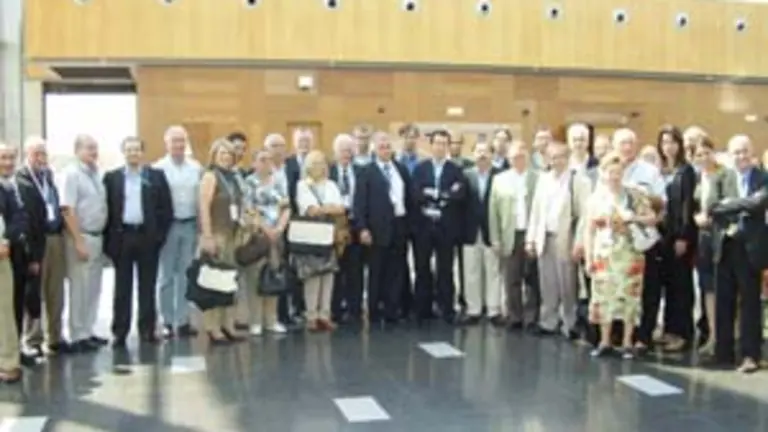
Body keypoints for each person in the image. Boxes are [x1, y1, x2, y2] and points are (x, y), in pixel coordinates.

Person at [703, 135, 768, 373]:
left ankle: (751, 354)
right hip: (725, 247)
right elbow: (712, 207)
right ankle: (723, 353)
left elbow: (759, 204)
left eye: (744, 151)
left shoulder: (763, 178)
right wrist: (743, 203)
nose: (741, 156)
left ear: (752, 152)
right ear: (729, 155)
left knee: (750, 303)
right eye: (736, 152)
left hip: (750, 248)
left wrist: (731, 204)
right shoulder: (721, 177)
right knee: (724, 302)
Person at [584, 152, 657, 359]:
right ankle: (605, 340)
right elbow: (589, 230)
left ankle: (627, 341)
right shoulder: (595, 199)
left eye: (618, 172)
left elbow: (652, 218)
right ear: (603, 173)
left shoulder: (634, 195)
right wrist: (589, 258)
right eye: (610, 172)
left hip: (630, 252)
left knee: (630, 297)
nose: (614, 176)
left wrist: (632, 217)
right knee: (603, 297)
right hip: (604, 254)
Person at [103, 137, 173, 348]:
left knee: (147, 286)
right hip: (123, 237)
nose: (133, 153)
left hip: (147, 238)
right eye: (129, 150)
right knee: (122, 287)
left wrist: (159, 237)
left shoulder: (156, 176)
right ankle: (120, 331)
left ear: (142, 153)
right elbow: (106, 209)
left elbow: (166, 209)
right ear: (123, 152)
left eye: (137, 150)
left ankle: (147, 330)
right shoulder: (112, 178)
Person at [526, 141, 591, 339]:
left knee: (568, 284)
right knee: (548, 282)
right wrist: (531, 239)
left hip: (567, 237)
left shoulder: (579, 181)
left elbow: (585, 215)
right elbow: (536, 212)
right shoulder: (543, 180)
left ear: (568, 158)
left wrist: (580, 242)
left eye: (561, 157)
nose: (556, 161)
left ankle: (570, 323)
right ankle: (548, 321)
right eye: (552, 157)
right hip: (545, 236)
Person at [17, 137, 69, 355]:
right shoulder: (21, 181)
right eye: (36, 153)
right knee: (34, 291)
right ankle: (33, 339)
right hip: (36, 242)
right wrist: (30, 254)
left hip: (55, 237)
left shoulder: (48, 176)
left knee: (56, 290)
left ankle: (55, 337)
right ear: (27, 155)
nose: (41, 158)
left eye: (43, 153)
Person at [354, 132, 412, 326]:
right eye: (382, 147)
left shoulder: (401, 169)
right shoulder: (366, 172)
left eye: (388, 146)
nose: (386, 150)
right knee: (376, 271)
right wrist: (362, 228)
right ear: (374, 150)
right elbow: (359, 203)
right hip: (376, 228)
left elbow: (409, 198)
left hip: (399, 225)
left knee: (396, 270)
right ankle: (374, 310)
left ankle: (392, 309)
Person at [411, 129, 466, 325]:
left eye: (444, 144)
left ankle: (446, 308)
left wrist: (435, 194)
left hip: (446, 228)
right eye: (437, 143)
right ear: (431, 145)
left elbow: (458, 194)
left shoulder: (455, 170)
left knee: (446, 269)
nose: (440, 147)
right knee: (422, 268)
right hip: (423, 227)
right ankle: (422, 309)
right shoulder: (420, 168)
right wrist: (443, 194)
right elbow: (416, 194)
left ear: (448, 147)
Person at [60, 135, 109, 352]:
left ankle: (88, 330)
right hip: (81, 237)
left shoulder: (96, 174)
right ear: (77, 150)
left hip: (98, 237)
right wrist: (78, 240)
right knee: (80, 287)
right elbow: (67, 209)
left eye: (95, 148)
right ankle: (77, 334)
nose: (93, 152)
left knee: (94, 287)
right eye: (89, 148)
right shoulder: (72, 174)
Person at [154, 125, 203, 338]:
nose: (179, 145)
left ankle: (183, 321)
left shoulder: (196, 168)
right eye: (175, 141)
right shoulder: (158, 168)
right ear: (166, 144)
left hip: (190, 225)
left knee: (186, 275)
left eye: (182, 141)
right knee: (166, 276)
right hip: (169, 226)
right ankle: (166, 321)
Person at [489, 141, 540, 332]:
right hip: (509, 235)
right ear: (508, 160)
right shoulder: (499, 180)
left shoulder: (539, 178)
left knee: (533, 279)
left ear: (527, 157)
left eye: (521, 156)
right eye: (513, 157)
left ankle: (531, 317)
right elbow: (492, 212)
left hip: (531, 233)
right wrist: (495, 238)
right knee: (511, 278)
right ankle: (514, 316)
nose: (517, 160)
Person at [198, 138, 246, 344]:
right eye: (222, 154)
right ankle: (213, 327)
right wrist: (207, 236)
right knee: (214, 282)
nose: (226, 158)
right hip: (217, 233)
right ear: (214, 156)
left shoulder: (234, 177)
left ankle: (229, 324)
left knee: (230, 283)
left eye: (229, 154)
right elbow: (203, 207)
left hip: (233, 234)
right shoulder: (211, 176)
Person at [656, 125, 697, 352]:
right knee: (669, 284)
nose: (668, 147)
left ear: (680, 145)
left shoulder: (686, 171)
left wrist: (683, 237)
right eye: (664, 142)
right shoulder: (662, 171)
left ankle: (683, 333)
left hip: (680, 237)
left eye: (672, 142)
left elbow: (686, 206)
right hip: (664, 236)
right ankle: (669, 330)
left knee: (681, 285)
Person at [295, 150, 346, 331]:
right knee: (313, 276)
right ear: (308, 167)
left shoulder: (332, 184)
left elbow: (340, 208)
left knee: (328, 275)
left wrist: (325, 208)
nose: (320, 167)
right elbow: (310, 210)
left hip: (330, 235)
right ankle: (311, 315)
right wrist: (328, 208)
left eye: (322, 163)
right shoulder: (302, 185)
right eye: (315, 163)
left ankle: (325, 314)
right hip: (311, 236)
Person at [242, 148, 290, 335]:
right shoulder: (249, 183)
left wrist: (279, 228)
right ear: (254, 163)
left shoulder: (278, 181)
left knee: (274, 275)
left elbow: (286, 207)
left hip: (277, 235)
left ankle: (272, 319)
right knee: (255, 277)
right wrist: (265, 228)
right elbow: (248, 209)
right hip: (257, 236)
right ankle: (255, 320)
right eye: (262, 159)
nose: (266, 163)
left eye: (269, 159)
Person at [460, 141, 501, 325]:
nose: (482, 154)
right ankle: (473, 309)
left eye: (486, 151)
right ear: (473, 154)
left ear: (492, 155)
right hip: (469, 230)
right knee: (471, 271)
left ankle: (493, 310)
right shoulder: (465, 175)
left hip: (491, 230)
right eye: (478, 151)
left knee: (493, 271)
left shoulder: (500, 176)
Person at [329, 134, 365, 325]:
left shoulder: (361, 172)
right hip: (335, 227)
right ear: (335, 152)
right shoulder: (329, 172)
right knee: (335, 269)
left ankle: (355, 309)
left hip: (355, 226)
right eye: (342, 150)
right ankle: (335, 309)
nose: (346, 154)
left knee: (355, 270)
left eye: (349, 150)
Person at [692, 137, 723, 355]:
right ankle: (712, 335)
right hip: (703, 240)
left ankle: (726, 336)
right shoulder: (698, 178)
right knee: (707, 289)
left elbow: (729, 202)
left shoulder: (724, 175)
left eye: (706, 152)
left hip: (721, 238)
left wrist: (711, 218)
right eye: (699, 154)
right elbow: (695, 205)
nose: (703, 157)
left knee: (724, 289)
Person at [0, 182, 22, 382]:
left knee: (4, 311)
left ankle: (8, 363)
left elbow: (17, 218)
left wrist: (6, 240)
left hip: (1, 256)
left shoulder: (6, 189)